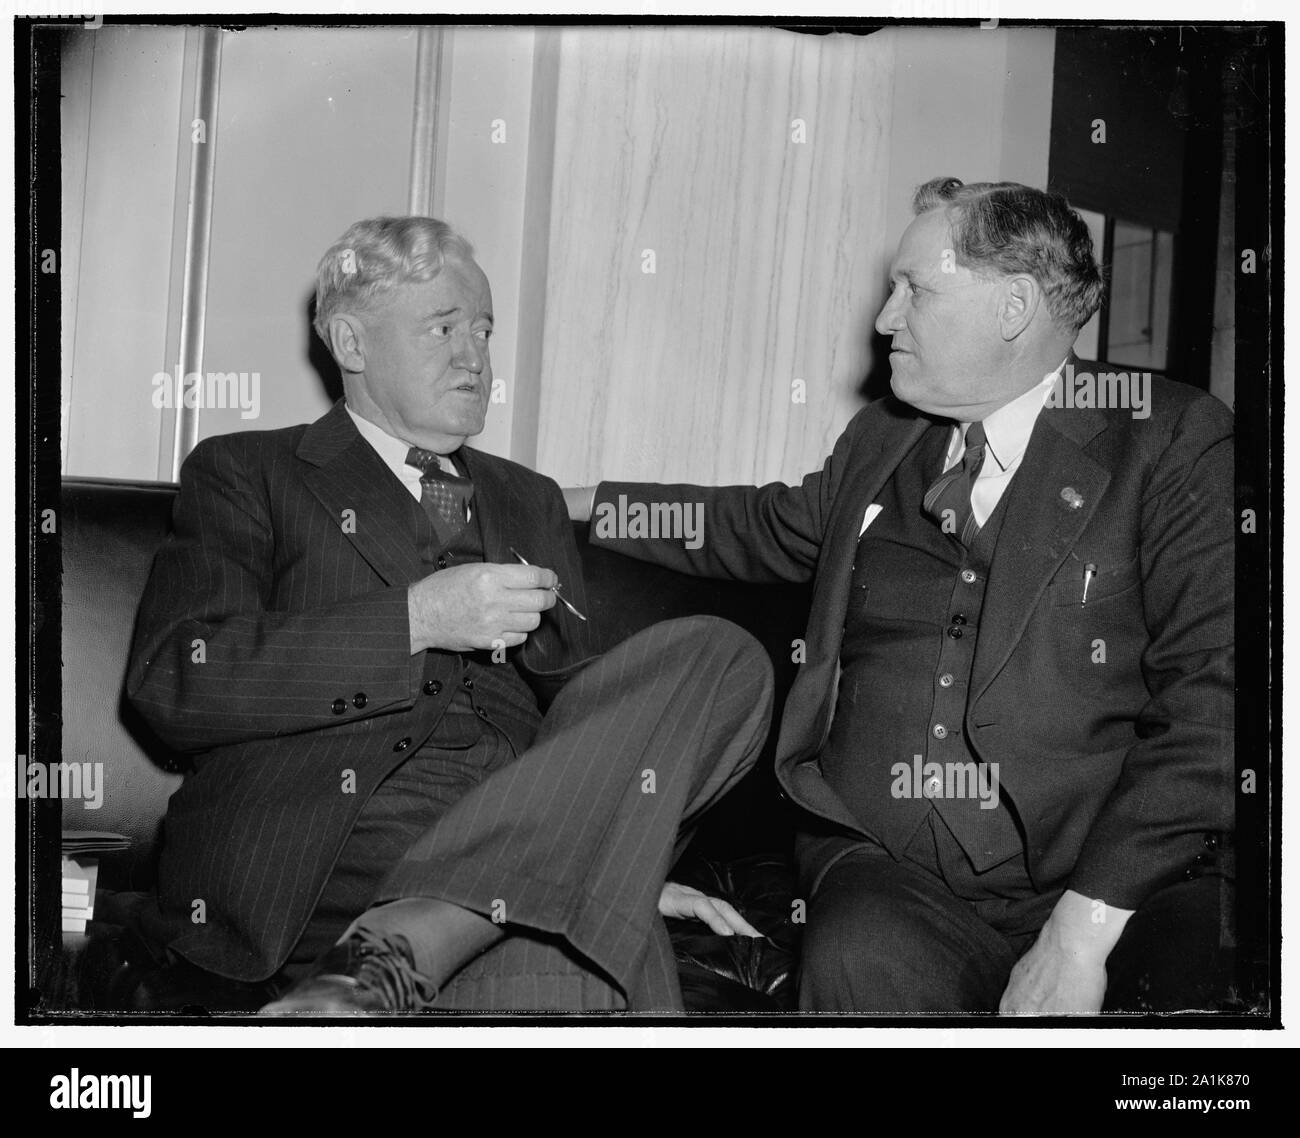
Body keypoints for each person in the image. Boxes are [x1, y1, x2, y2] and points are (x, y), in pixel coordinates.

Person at [570, 177, 1235, 1014]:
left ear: (1014, 306)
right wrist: (577, 509)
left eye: (914, 289)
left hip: (1102, 877)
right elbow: (762, 525)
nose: (884, 319)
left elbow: (1217, 705)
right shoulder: (883, 437)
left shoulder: (1170, 439)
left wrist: (1078, 935)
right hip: (881, 865)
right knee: (860, 952)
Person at [127, 216, 773, 1014]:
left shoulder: (526, 497)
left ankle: (388, 968)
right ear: (352, 345)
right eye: (443, 328)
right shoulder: (248, 471)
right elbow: (175, 682)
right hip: (334, 857)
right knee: (608, 971)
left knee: (721, 656)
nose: (477, 357)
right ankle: (401, 950)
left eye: (484, 330)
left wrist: (617, 853)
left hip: (507, 866)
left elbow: (585, 716)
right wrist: (414, 619)